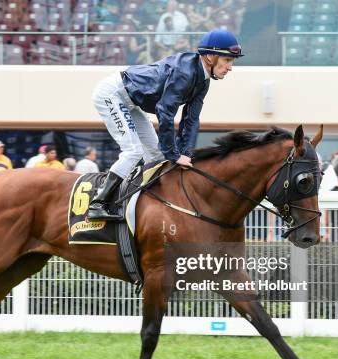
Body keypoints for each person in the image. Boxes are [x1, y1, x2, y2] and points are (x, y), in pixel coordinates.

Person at [87, 28, 243, 220]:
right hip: (112, 94)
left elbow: (191, 119)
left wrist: (186, 153)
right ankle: (98, 203)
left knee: (157, 156)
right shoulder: (185, 72)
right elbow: (165, 113)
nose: (230, 67)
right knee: (134, 151)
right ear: (210, 57)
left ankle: (144, 203)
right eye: (227, 60)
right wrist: (174, 154)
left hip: (131, 101)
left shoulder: (203, 81)